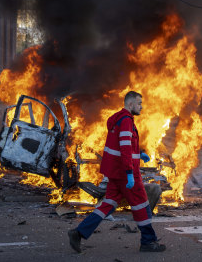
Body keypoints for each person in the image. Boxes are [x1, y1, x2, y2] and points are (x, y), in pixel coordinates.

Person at [68, 91, 165, 253]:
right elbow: (125, 148)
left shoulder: (119, 119)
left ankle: (79, 232)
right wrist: (129, 173)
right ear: (130, 104)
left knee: (108, 204)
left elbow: (123, 146)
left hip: (115, 173)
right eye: (139, 103)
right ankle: (148, 241)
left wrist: (138, 154)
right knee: (142, 205)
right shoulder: (126, 121)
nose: (141, 106)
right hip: (125, 174)